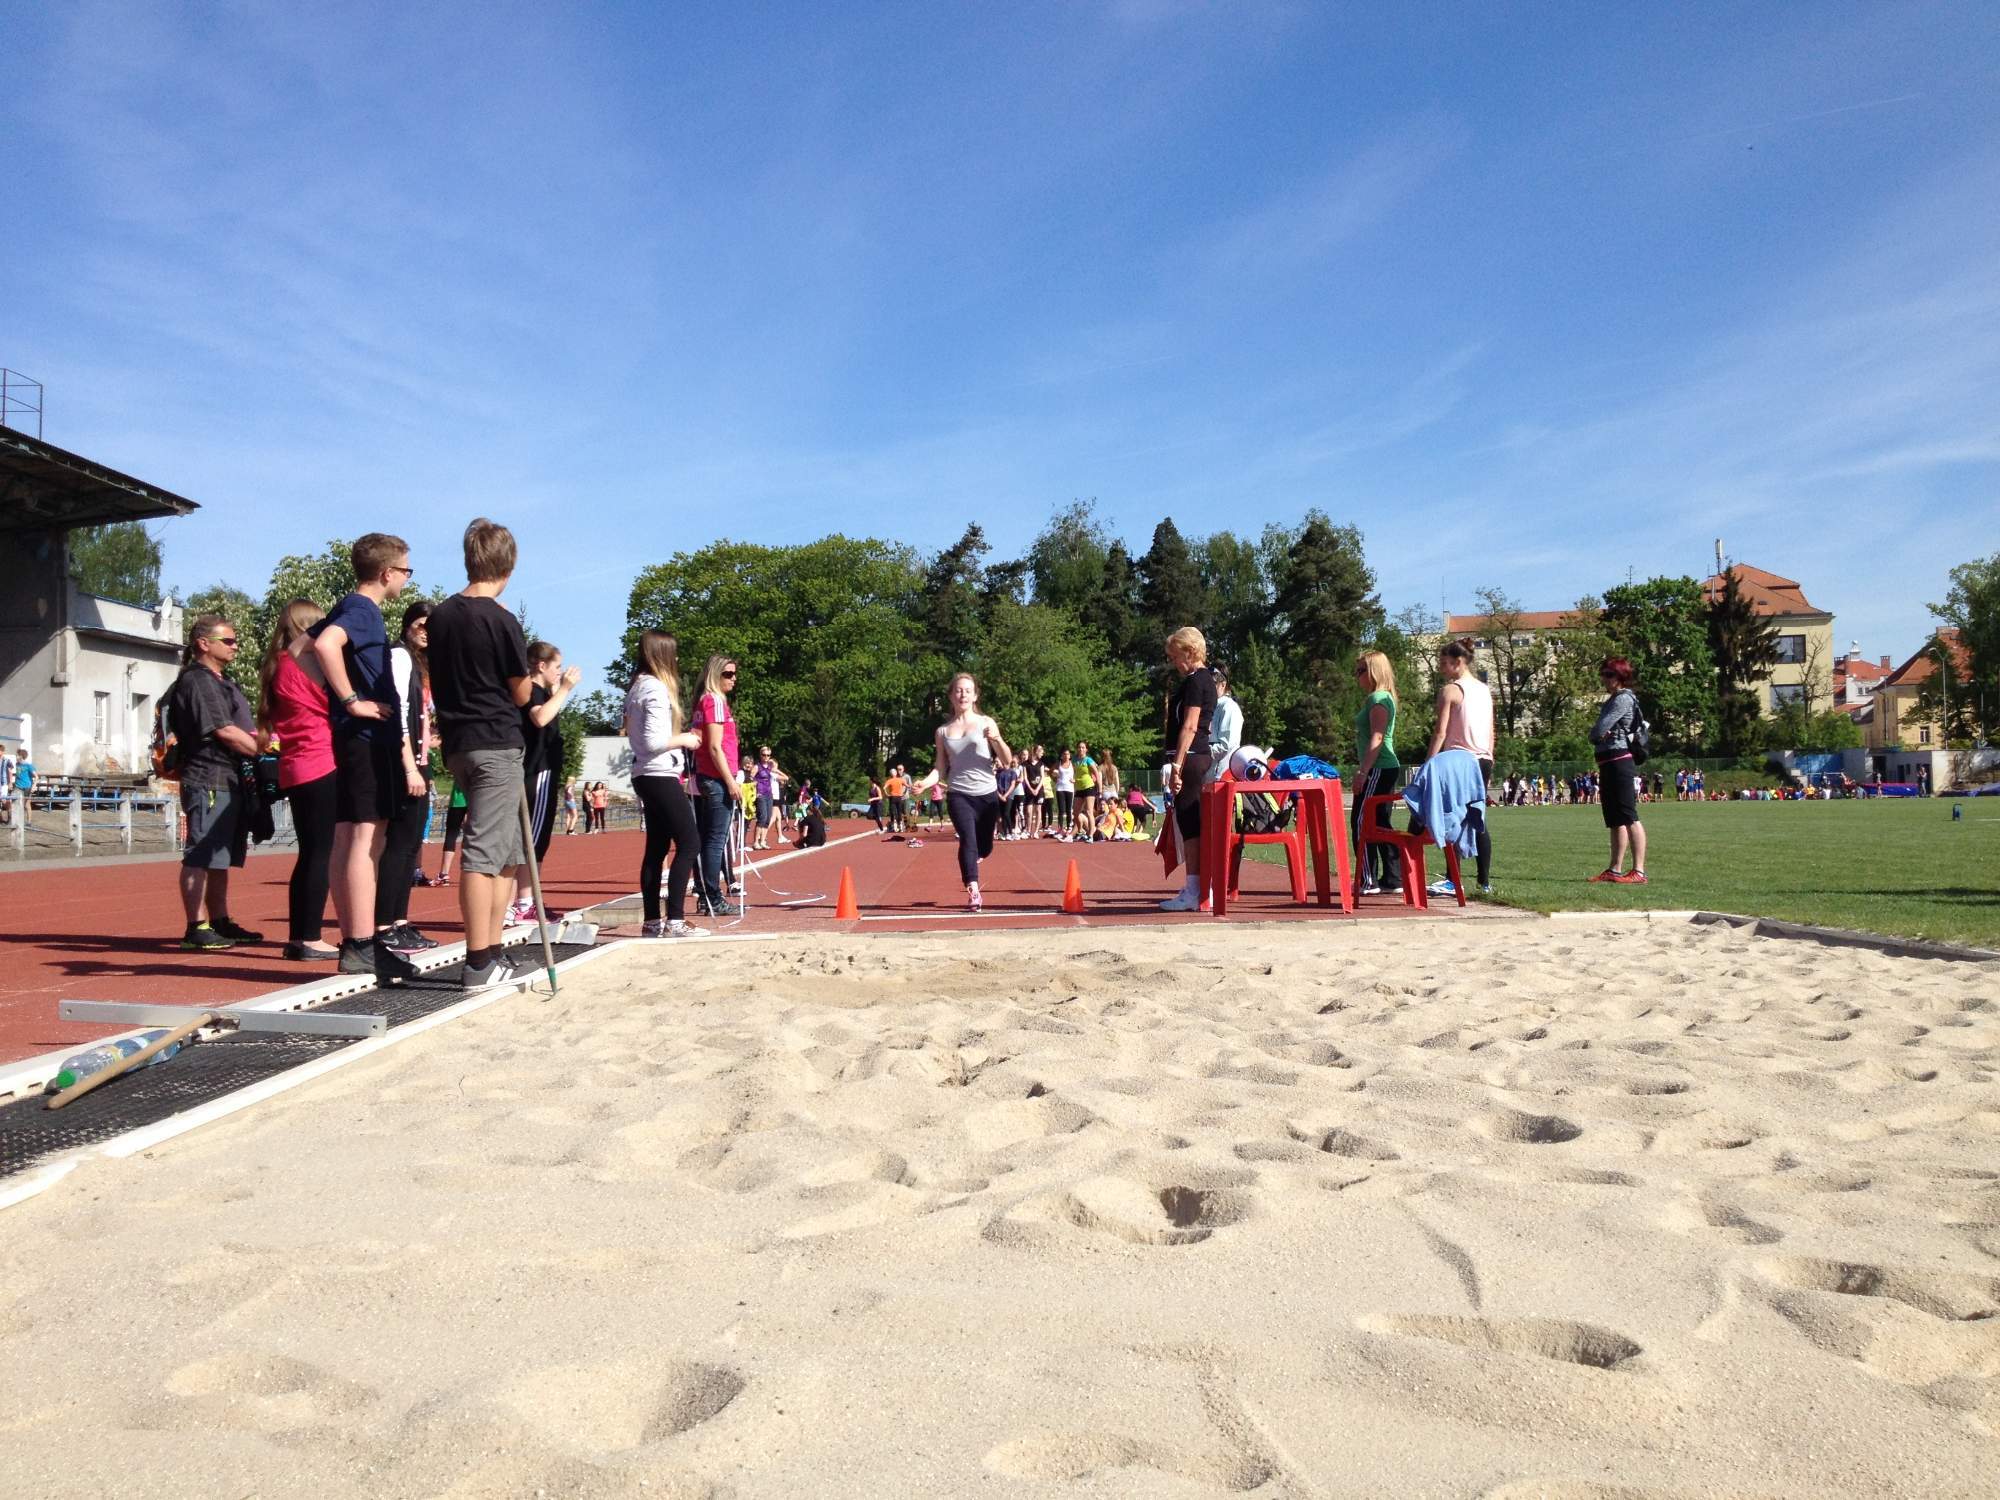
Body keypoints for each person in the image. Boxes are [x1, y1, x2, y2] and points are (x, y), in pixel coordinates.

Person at [427, 517, 535, 991]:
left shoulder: (441, 616)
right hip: (495, 740)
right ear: (508, 566)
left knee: (507, 851)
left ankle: (491, 951)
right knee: (485, 851)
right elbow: (521, 693)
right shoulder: (502, 620)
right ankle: (477, 961)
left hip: (459, 741)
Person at [308, 534, 420, 983]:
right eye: (407, 571)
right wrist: (351, 700)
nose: (408, 579)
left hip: (357, 737)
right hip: (367, 739)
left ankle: (357, 942)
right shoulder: (362, 610)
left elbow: (299, 653)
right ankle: (360, 943)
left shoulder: (347, 607)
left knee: (349, 838)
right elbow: (322, 647)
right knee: (365, 841)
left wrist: (337, 701)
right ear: (387, 573)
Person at [166, 615, 264, 950]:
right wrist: (263, 751)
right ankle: (196, 926)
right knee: (202, 852)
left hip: (228, 777)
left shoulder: (221, 680)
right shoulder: (199, 681)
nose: (235, 646)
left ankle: (220, 920)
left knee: (220, 855)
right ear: (204, 644)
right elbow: (223, 730)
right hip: (208, 777)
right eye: (229, 641)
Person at [259, 599, 337, 961]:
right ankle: (309, 937)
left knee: (309, 853)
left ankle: (299, 936)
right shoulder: (302, 667)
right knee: (320, 853)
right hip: (319, 761)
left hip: (296, 764)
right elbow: (333, 703)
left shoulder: (279, 665)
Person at [624, 629, 706, 938]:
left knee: (657, 848)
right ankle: (675, 920)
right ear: (662, 656)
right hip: (659, 773)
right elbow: (653, 741)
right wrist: (685, 738)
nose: (678, 660)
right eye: (674, 654)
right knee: (690, 842)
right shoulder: (655, 689)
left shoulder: (636, 687)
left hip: (645, 774)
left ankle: (652, 921)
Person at [375, 600, 439, 954]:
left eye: (432, 627)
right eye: (421, 625)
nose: (427, 632)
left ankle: (400, 921)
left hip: (420, 760)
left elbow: (420, 715)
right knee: (399, 846)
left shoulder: (423, 665)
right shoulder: (400, 657)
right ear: (407, 625)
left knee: (412, 845)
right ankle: (384, 925)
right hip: (405, 763)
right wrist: (409, 766)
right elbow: (399, 712)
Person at [511, 640, 579, 926]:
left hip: (543, 771)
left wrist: (557, 690)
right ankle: (524, 903)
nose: (560, 672)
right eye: (556, 666)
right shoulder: (532, 691)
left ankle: (524, 902)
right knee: (533, 840)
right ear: (541, 665)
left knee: (536, 839)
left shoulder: (541, 692)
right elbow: (539, 718)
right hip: (537, 771)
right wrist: (564, 689)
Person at [1421, 639, 1495, 897]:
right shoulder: (1484, 690)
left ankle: (1453, 880)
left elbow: (1440, 733)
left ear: (1458, 662)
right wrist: (1490, 759)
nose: (1441, 668)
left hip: (1459, 761)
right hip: (1482, 759)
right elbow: (1491, 731)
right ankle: (1484, 882)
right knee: (1478, 818)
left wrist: (1428, 766)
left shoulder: (1451, 690)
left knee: (1452, 817)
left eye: (1444, 663)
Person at [936, 672, 1014, 910]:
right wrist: (925, 783)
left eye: (968, 691)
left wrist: (997, 739)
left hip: (987, 794)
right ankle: (974, 890)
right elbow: (940, 768)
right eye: (958, 690)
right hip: (959, 793)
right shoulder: (942, 731)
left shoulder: (986, 722)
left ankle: (978, 854)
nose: (963, 694)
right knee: (967, 840)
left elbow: (1007, 760)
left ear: (975, 696)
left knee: (985, 847)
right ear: (951, 696)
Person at [1160, 626, 1218, 912]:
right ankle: (1198, 887)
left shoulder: (1197, 681)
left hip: (1192, 757)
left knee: (1190, 824)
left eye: (1175, 656)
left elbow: (1191, 725)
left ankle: (1196, 890)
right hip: (1193, 756)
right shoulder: (1202, 680)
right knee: (1190, 823)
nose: (1173, 662)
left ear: (1190, 651)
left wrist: (1177, 764)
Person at [691, 655, 745, 917]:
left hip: (709, 777)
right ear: (715, 675)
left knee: (707, 840)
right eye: (728, 674)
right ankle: (712, 897)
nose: (734, 678)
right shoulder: (714, 701)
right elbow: (714, 747)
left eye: (734, 673)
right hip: (716, 779)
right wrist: (730, 781)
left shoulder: (705, 701)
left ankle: (705, 895)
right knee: (715, 841)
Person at [1587, 657, 1648, 884]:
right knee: (1614, 819)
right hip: (1608, 761)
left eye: (1609, 674)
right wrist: (1599, 734)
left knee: (1629, 815)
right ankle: (1615, 869)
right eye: (1603, 674)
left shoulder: (1623, 699)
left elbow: (1597, 732)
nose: (1604, 679)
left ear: (1621, 676)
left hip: (1619, 760)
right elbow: (1599, 732)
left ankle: (1639, 871)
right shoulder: (1612, 699)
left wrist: (1598, 734)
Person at [1351, 649, 1403, 897]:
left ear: (1373, 672)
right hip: (1384, 767)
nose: (1357, 676)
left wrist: (1363, 772)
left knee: (1362, 821)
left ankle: (1367, 879)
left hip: (1378, 767)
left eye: (1361, 671)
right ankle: (1393, 877)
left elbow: (1378, 737)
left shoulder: (1378, 698)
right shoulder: (1382, 697)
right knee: (1380, 822)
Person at [752, 746, 789, 849]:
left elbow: (785, 778)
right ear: (760, 755)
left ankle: (763, 841)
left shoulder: (769, 768)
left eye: (768, 755)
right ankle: (756, 842)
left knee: (768, 818)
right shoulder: (757, 767)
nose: (766, 757)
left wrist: (777, 770)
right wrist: (755, 791)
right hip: (760, 794)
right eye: (764, 755)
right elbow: (750, 779)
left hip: (769, 795)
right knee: (762, 817)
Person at [1209, 667, 1244, 772]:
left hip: (1221, 775)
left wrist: (1198, 751)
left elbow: (1225, 746)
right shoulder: (1210, 706)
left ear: (1223, 684)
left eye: (1212, 683)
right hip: (1206, 773)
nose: (1207, 687)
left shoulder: (1229, 707)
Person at [436, 780, 468, 886]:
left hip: (457, 801)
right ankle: (470, 873)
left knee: (451, 835)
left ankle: (444, 873)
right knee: (473, 837)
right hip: (476, 800)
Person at [1074, 741, 1097, 839]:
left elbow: (1096, 772)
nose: (1081, 749)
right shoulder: (1075, 761)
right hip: (1079, 789)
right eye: (1079, 747)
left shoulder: (1088, 760)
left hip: (1089, 787)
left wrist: (1099, 787)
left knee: (1089, 811)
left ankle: (1091, 835)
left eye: (1083, 747)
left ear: (1086, 749)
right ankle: (1081, 831)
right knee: (1075, 813)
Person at [1022, 746, 1045, 840]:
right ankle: (1028, 830)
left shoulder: (1041, 764)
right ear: (1036, 752)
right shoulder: (1025, 764)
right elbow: (1025, 778)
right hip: (1029, 789)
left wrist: (1037, 789)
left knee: (1038, 809)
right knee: (1028, 811)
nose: (1042, 754)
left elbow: (1042, 777)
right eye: (1041, 752)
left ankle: (1036, 831)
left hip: (1039, 790)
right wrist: (1031, 789)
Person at [1054, 750, 1075, 836]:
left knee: (1069, 809)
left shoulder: (1073, 764)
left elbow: (1079, 773)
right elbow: (1050, 771)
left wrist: (1075, 780)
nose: (1066, 756)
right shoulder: (1058, 764)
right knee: (1061, 810)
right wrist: (1055, 779)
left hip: (1069, 788)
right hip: (1060, 788)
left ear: (1070, 756)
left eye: (1068, 754)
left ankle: (1069, 828)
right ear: (1062, 755)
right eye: (1064, 754)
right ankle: (1060, 828)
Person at [884, 764, 907, 834]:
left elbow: (884, 788)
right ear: (896, 773)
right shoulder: (901, 780)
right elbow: (907, 786)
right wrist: (904, 793)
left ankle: (894, 826)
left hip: (893, 797)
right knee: (899, 812)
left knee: (893, 812)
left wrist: (887, 794)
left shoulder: (889, 780)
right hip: (899, 797)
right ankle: (900, 826)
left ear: (890, 774)